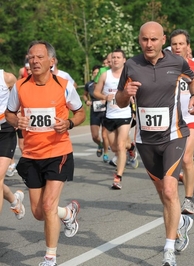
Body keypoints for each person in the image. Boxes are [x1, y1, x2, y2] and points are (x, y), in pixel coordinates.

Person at [115, 21, 194, 266]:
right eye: (144, 39)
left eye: (154, 39)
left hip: (174, 135)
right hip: (145, 140)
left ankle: (168, 250)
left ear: (163, 39)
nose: (149, 44)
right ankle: (181, 224)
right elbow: (120, 101)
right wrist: (125, 93)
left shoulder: (177, 62)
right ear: (139, 40)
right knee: (164, 197)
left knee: (170, 190)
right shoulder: (131, 64)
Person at [5, 40, 85, 266]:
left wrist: (68, 124)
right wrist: (16, 121)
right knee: (39, 213)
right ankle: (68, 213)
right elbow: (9, 114)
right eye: (31, 57)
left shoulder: (64, 85)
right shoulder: (20, 86)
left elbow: (79, 112)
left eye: (40, 57)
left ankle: (50, 256)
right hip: (31, 155)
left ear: (51, 61)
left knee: (48, 205)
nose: (34, 61)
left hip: (58, 152)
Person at [170, 29, 194, 214]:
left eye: (181, 43)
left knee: (186, 157)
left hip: (192, 116)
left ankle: (187, 200)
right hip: (171, 118)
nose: (177, 47)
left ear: (188, 46)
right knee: (170, 163)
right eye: (174, 44)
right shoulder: (165, 66)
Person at [93, 49, 137, 190]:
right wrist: (105, 97)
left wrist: (134, 104)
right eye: (113, 57)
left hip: (124, 114)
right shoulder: (105, 75)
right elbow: (95, 92)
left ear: (124, 60)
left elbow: (138, 92)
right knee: (114, 147)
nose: (115, 60)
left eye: (118, 57)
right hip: (110, 115)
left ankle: (118, 177)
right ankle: (132, 148)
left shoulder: (129, 75)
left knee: (120, 144)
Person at [0, 69, 25, 220]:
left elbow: (20, 98)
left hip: (5, 132)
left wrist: (19, 113)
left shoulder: (7, 78)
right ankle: (14, 200)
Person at [83, 64, 111, 163]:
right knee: (95, 136)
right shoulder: (89, 84)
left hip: (105, 111)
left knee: (104, 135)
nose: (96, 74)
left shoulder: (106, 83)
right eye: (94, 73)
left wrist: (105, 99)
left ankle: (106, 153)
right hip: (94, 111)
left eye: (97, 73)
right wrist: (87, 101)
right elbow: (85, 95)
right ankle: (100, 144)